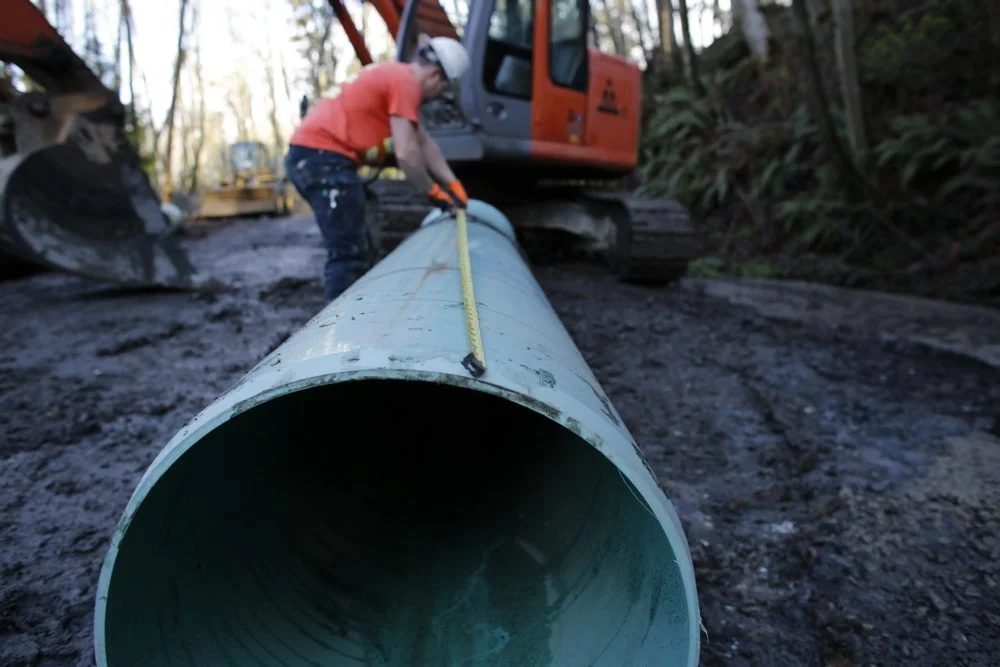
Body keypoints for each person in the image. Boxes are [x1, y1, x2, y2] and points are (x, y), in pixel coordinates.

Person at [284, 35, 471, 303]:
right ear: (434, 75)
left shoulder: (397, 76)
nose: (437, 96)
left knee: (363, 234)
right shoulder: (407, 83)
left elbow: (423, 142)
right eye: (442, 89)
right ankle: (341, 328)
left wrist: (452, 184)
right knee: (348, 252)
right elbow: (407, 154)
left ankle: (363, 306)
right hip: (322, 159)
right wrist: (434, 193)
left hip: (317, 157)